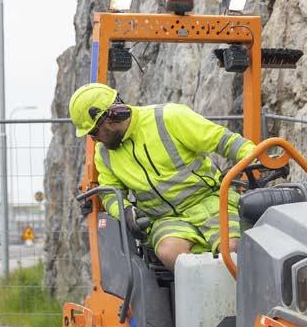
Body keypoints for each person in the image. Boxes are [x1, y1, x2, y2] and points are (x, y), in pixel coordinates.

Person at [69, 83, 254, 269]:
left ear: (110, 119)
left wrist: (255, 156)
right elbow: (110, 193)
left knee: (232, 250)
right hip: (164, 219)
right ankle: (202, 296)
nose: (94, 140)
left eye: (93, 132)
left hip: (210, 202)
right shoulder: (104, 155)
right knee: (171, 252)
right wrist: (125, 212)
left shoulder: (168, 118)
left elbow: (222, 140)